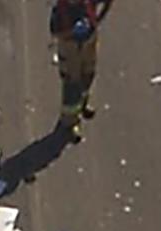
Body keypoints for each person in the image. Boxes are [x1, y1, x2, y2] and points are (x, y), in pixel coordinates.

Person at [51, 0, 113, 143]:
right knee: (72, 85)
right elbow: (56, 32)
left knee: (88, 75)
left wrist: (96, 21)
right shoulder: (61, 10)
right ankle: (70, 123)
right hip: (70, 48)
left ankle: (83, 103)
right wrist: (72, 31)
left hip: (88, 43)